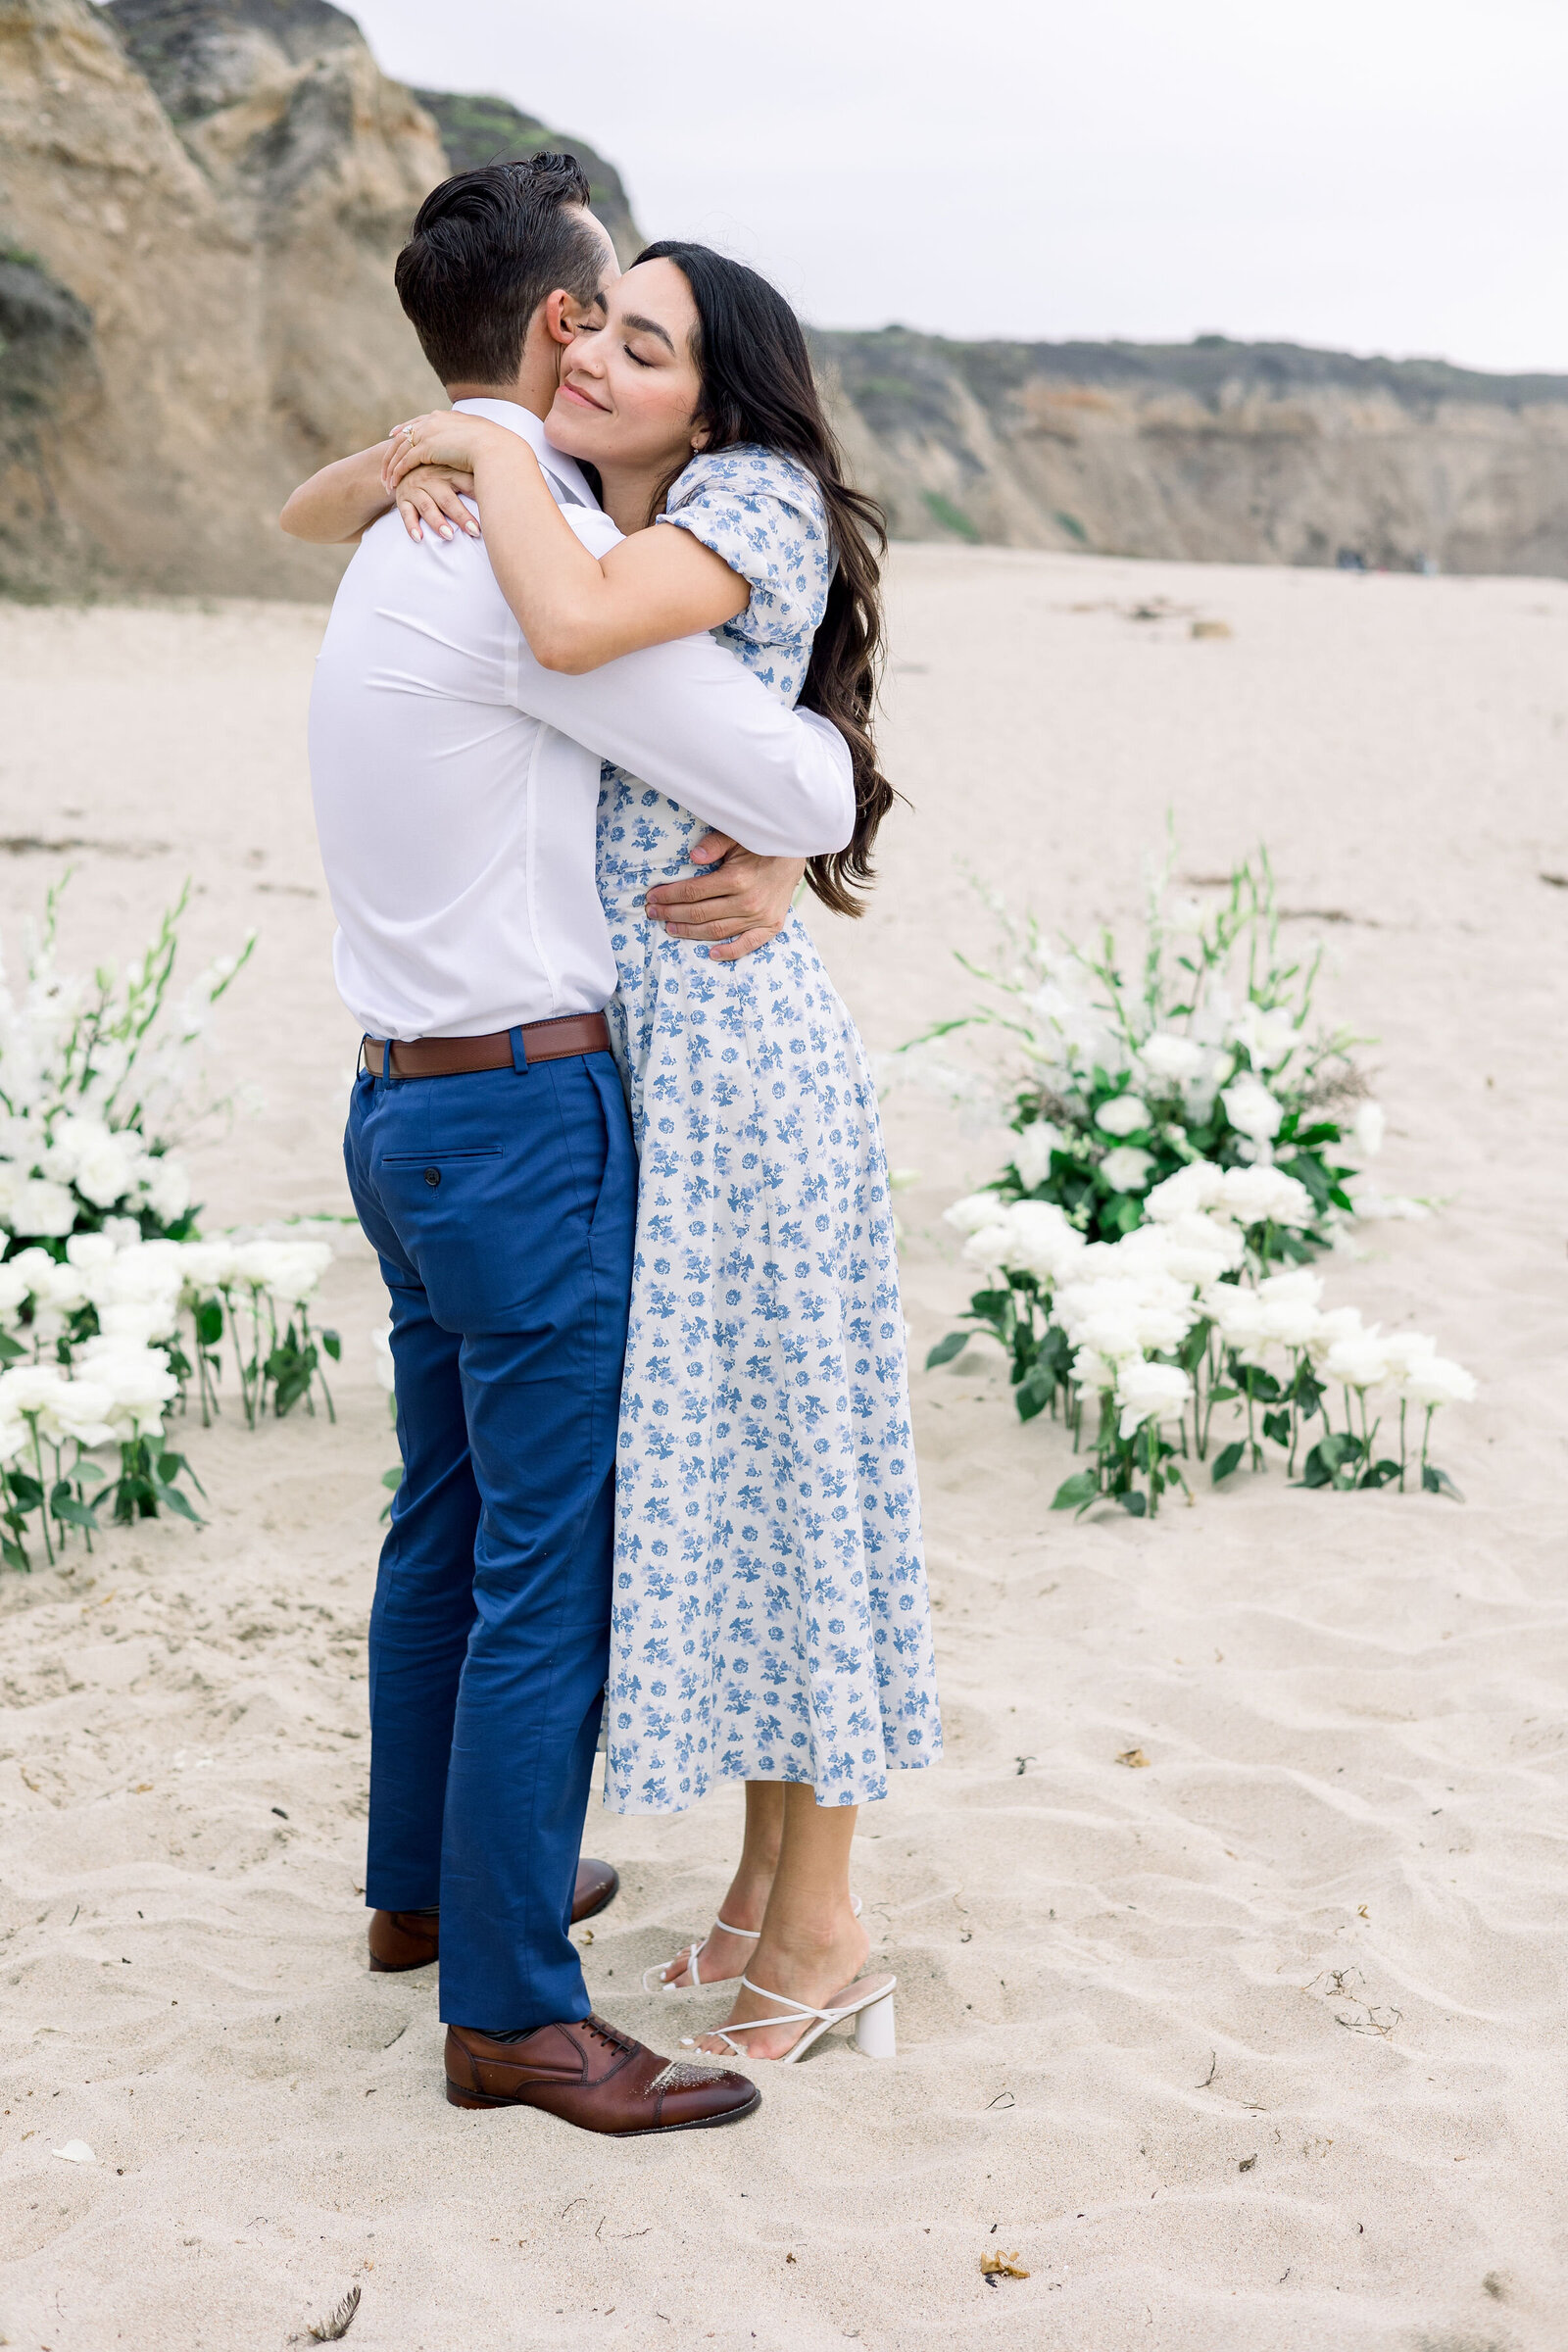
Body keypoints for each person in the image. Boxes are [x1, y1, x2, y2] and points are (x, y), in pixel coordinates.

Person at [287, 156, 860, 2129]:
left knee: (439, 1520)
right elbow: (779, 761)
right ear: (557, 324)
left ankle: (420, 1894)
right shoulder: (522, 565)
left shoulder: (403, 526)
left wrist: (430, 452)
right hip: (523, 1112)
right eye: (607, 312)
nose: (616, 342)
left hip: (393, 1103)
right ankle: (517, 2004)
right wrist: (800, 826)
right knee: (549, 1559)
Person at [375, 240, 944, 2066]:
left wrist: (468, 451)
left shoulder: (750, 498)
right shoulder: (603, 518)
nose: (602, 357)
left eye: (649, 343)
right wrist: (465, 450)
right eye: (593, 327)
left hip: (741, 1069)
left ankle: (830, 1911)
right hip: (653, 1073)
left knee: (795, 1483)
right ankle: (767, 1893)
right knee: (746, 1479)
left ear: (722, 395)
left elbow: (573, 641)